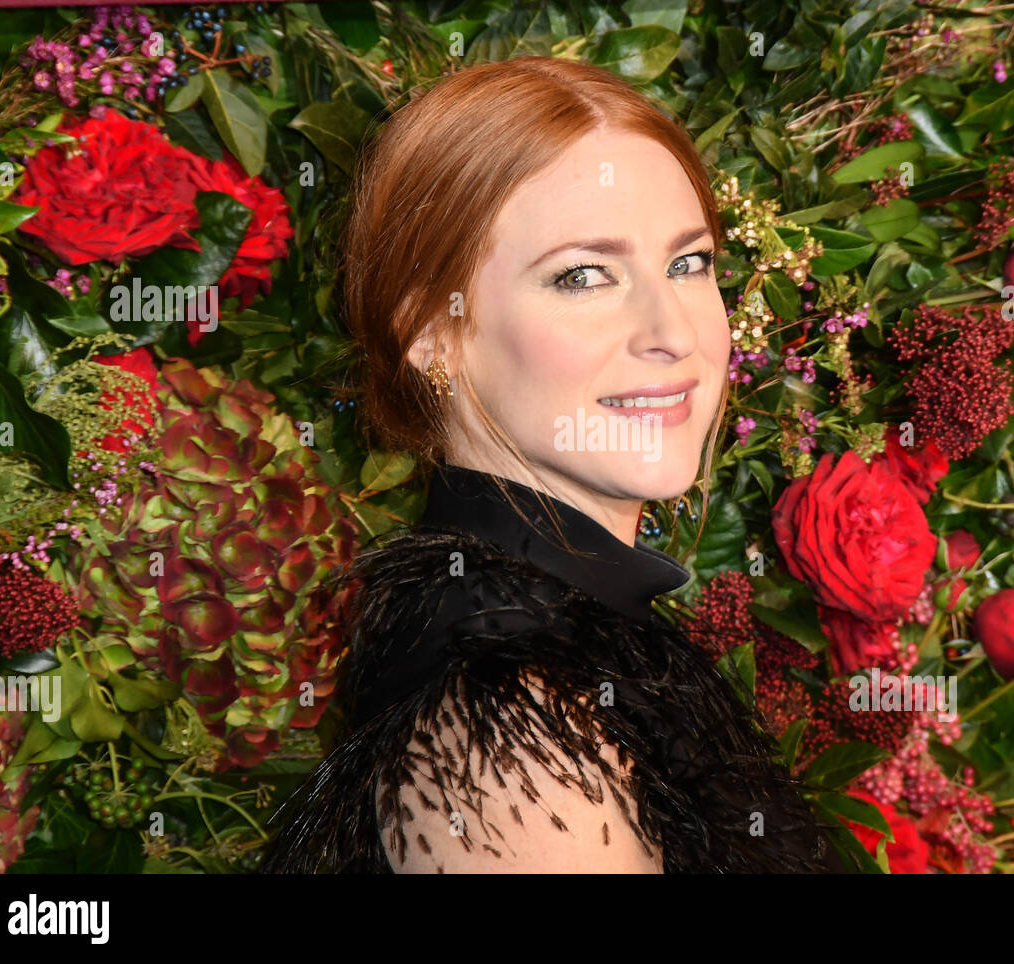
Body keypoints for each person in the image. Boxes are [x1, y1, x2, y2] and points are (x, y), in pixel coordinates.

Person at [261, 55, 857, 873]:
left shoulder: (551, 646)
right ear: (434, 334)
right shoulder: (511, 739)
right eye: (584, 275)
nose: (674, 332)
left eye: (690, 264)